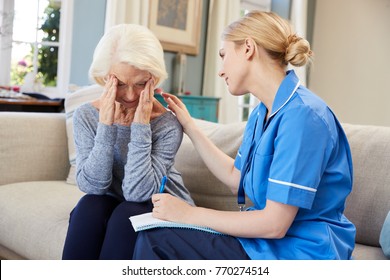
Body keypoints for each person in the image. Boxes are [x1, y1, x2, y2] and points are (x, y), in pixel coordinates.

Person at [132, 11, 356, 260]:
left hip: (303, 252)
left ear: (248, 48)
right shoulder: (263, 111)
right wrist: (190, 126)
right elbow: (236, 176)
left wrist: (187, 214)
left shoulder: (304, 117)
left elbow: (274, 224)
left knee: (158, 239)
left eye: (223, 55)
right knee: (154, 231)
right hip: (264, 245)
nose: (221, 70)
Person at [62, 24, 194, 260]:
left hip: (162, 207)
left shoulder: (167, 125)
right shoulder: (87, 116)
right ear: (104, 79)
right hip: (113, 206)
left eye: (141, 84)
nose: (131, 96)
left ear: (153, 78)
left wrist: (141, 126)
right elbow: (93, 186)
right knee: (88, 207)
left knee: (127, 213)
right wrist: (106, 126)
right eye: (121, 83)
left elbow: (138, 193)